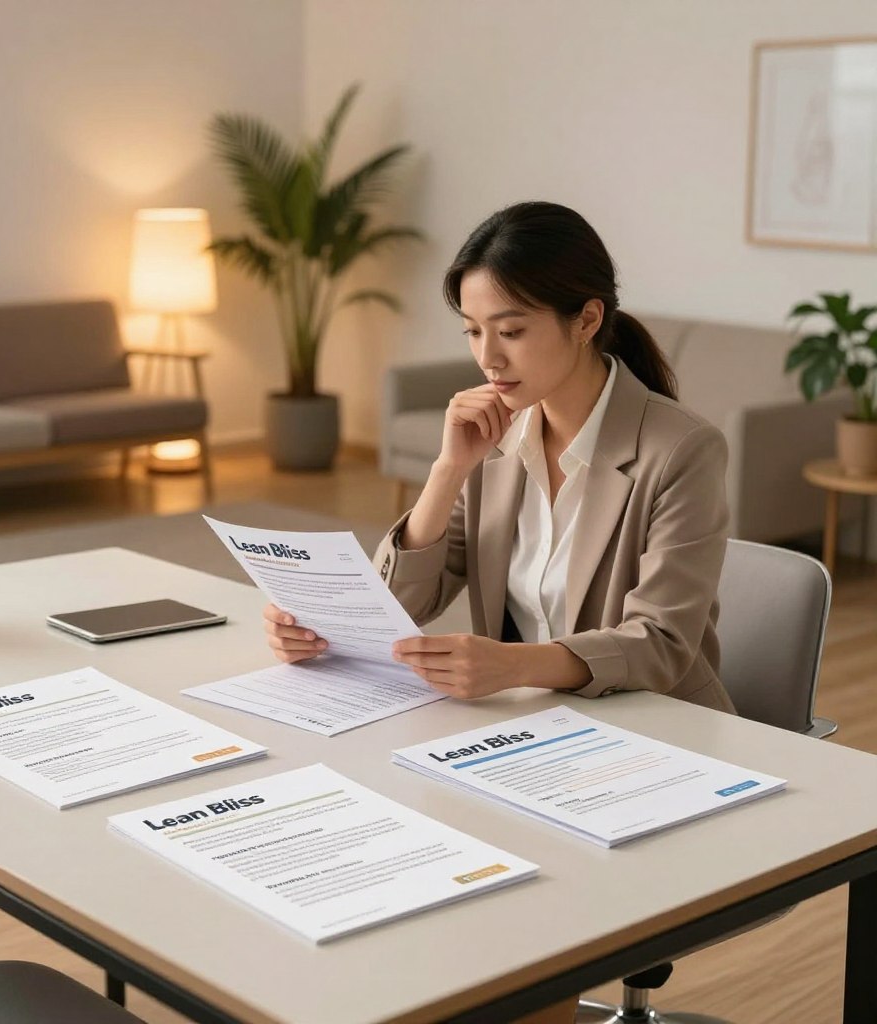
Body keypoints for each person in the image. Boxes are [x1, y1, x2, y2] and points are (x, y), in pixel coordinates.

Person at [263, 201, 735, 1024]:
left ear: (588, 318)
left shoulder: (680, 450)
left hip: (645, 738)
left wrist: (512, 665)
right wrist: (448, 471)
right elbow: (402, 601)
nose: (489, 357)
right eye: (473, 332)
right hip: (521, 736)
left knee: (479, 914)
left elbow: (660, 644)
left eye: (511, 330)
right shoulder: (494, 438)